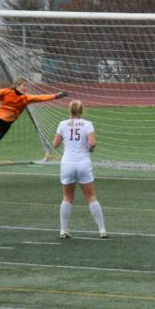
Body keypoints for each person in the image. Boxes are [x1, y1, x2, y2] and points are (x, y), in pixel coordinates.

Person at [52, 99, 107, 239]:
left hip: (67, 164)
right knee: (90, 196)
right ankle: (102, 230)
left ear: (69, 110)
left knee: (67, 197)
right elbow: (92, 143)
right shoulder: (87, 124)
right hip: (83, 162)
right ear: (82, 110)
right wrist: (89, 149)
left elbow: (55, 144)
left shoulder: (62, 124)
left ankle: (63, 230)